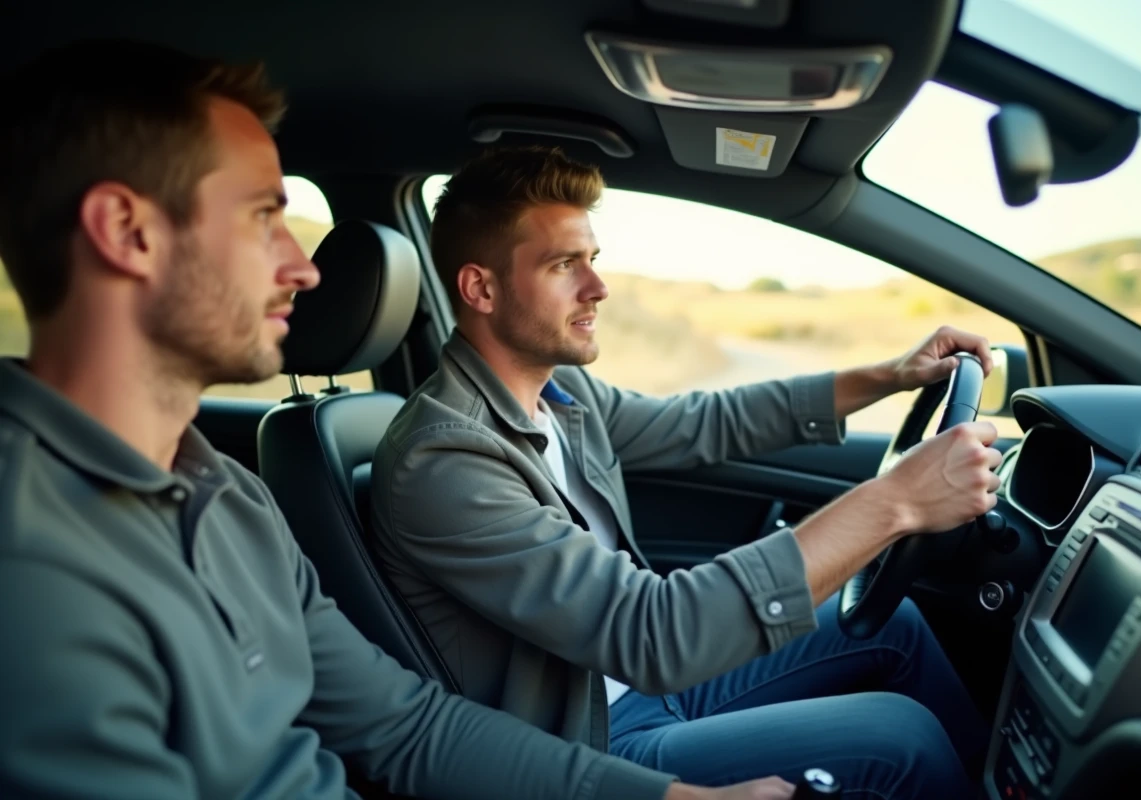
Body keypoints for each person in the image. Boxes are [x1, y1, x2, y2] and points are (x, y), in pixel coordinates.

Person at [0, 40, 796, 800]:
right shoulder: (29, 559)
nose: (304, 266)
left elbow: (405, 727)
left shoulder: (227, 493)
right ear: (127, 233)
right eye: (261, 217)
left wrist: (666, 796)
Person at [372, 146, 1003, 798]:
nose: (597, 287)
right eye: (564, 265)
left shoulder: (562, 396)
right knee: (899, 738)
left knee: (895, 625)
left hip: (638, 683)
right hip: (595, 737)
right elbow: (650, 632)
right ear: (480, 288)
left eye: (593, 260)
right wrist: (896, 503)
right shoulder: (445, 460)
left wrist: (889, 377)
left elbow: (707, 421)